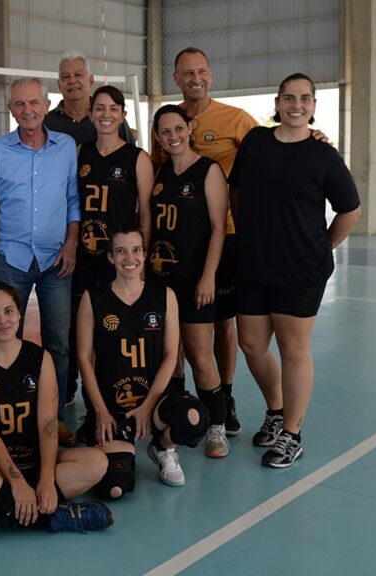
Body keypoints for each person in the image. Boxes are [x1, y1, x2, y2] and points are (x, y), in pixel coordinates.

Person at [229, 73, 361, 468]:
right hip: (253, 263)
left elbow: (349, 210)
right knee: (251, 345)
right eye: (289, 98)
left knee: (292, 350)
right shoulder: (255, 141)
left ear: (315, 105)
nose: (296, 105)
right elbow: (236, 190)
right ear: (277, 102)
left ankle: (292, 433)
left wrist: (321, 246)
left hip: (300, 270)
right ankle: (275, 410)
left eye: (304, 98)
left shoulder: (324, 155)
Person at [152, 47, 260, 436]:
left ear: (209, 75)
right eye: (186, 72)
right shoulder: (167, 132)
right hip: (175, 248)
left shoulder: (236, 119)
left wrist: (312, 137)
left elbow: (270, 147)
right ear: (177, 78)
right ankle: (181, 408)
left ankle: (223, 398)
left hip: (223, 239)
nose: (195, 77)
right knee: (174, 337)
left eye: (201, 71)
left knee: (221, 324)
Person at [0, 282, 113, 537]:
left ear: (19, 313)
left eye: (8, 311)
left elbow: (48, 424)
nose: (2, 320)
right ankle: (56, 516)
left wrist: (46, 478)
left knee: (97, 462)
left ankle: (3, 512)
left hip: (37, 464)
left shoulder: (39, 357)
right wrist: (16, 482)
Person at [0, 77, 79, 445]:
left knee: (58, 343)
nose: (27, 110)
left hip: (55, 259)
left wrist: (72, 243)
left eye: (34, 103)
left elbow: (73, 200)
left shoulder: (66, 147)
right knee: (3, 339)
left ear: (47, 105)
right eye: (20, 104)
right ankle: (7, 413)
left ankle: (55, 418)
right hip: (9, 258)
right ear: (10, 109)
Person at [77, 226, 209, 492]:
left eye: (136, 250)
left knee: (195, 421)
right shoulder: (93, 299)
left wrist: (149, 406)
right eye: (121, 250)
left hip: (156, 399)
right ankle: (118, 442)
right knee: (116, 487)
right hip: (113, 405)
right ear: (111, 257)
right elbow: (83, 358)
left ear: (145, 254)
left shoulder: (164, 296)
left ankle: (162, 447)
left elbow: (172, 355)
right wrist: (100, 412)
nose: (130, 257)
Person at [149, 105, 230, 458]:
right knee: (171, 355)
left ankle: (216, 426)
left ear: (189, 129)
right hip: (160, 280)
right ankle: (179, 421)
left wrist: (208, 276)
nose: (173, 136)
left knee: (200, 355)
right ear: (158, 137)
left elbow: (217, 229)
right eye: (165, 131)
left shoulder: (209, 171)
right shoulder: (160, 172)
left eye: (178, 128)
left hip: (196, 278)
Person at [70, 85, 154, 420]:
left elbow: (145, 215)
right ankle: (94, 413)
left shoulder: (138, 158)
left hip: (121, 263)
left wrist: (141, 265)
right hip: (84, 261)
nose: (106, 115)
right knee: (84, 340)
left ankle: (123, 409)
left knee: (116, 337)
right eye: (100, 108)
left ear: (122, 114)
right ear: (91, 114)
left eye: (113, 109)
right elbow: (70, 204)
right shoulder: (80, 152)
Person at [44, 51, 135, 146]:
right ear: (59, 85)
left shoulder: (110, 119)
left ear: (91, 80)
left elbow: (130, 155)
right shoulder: (46, 123)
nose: (72, 80)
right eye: (66, 76)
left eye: (78, 75)